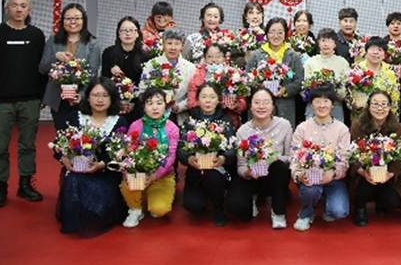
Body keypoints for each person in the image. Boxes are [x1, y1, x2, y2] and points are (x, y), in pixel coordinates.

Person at [0, 0, 46, 208]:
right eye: (15, 5)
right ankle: (0, 188)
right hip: (1, 101)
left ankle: (25, 185)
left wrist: (42, 95)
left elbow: (42, 69)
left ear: (29, 9)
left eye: (23, 6)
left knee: (27, 146)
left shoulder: (36, 35)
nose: (19, 9)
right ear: (7, 8)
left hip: (30, 100)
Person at [56, 77, 127, 236]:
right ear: (87, 97)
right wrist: (64, 159)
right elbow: (58, 145)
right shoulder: (75, 117)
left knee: (98, 206)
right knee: (74, 180)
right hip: (78, 171)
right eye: (95, 95)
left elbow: (120, 153)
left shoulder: (119, 122)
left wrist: (101, 165)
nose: (100, 100)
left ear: (112, 98)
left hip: (106, 173)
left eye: (105, 95)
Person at [226, 88, 293, 229]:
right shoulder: (243, 131)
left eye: (266, 102)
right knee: (238, 209)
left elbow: (290, 157)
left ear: (273, 106)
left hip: (275, 174)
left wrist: (274, 159)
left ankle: (278, 212)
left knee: (279, 166)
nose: (261, 107)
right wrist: (248, 173)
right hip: (253, 177)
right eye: (257, 103)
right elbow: (241, 165)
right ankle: (252, 198)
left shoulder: (284, 125)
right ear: (250, 106)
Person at [291, 86, 351, 231]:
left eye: (326, 101)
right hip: (310, 176)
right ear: (311, 105)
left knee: (339, 211)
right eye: (317, 101)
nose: (322, 105)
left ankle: (326, 205)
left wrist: (333, 172)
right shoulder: (302, 128)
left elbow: (345, 158)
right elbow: (294, 156)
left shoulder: (342, 129)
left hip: (333, 178)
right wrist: (299, 175)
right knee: (311, 191)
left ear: (332, 104)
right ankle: (306, 213)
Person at [179, 83, 237, 226]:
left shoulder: (226, 121)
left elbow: (233, 147)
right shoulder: (190, 121)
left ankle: (219, 207)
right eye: (204, 97)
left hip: (217, 170)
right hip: (196, 170)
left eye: (212, 97)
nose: (208, 101)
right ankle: (203, 196)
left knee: (213, 178)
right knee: (194, 206)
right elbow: (180, 148)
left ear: (219, 100)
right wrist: (188, 158)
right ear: (198, 99)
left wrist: (223, 158)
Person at [120, 87, 179, 228]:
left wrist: (154, 175)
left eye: (159, 103)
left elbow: (171, 158)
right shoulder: (135, 125)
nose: (155, 107)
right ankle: (135, 209)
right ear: (144, 107)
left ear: (165, 105)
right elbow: (128, 151)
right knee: (128, 185)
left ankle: (154, 199)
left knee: (159, 210)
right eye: (150, 103)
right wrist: (127, 171)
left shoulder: (172, 128)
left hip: (162, 176)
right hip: (137, 173)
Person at [39, 3, 101, 131]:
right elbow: (42, 68)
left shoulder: (93, 43)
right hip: (57, 98)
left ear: (83, 20)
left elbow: (93, 73)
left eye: (77, 18)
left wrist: (82, 95)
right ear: (62, 21)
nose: (73, 22)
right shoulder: (53, 40)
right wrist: (55, 56)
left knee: (81, 137)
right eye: (68, 18)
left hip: (81, 98)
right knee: (61, 135)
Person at [349, 91, 401, 226]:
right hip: (364, 175)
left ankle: (381, 203)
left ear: (390, 107)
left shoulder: (398, 128)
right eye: (375, 104)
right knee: (363, 186)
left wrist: (390, 174)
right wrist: (362, 172)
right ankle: (360, 208)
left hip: (387, 176)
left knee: (393, 201)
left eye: (384, 104)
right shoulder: (357, 126)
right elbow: (351, 154)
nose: (380, 108)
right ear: (368, 106)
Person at [246, 17, 304, 127]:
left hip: (285, 106)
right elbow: (247, 78)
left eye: (280, 32)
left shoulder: (293, 56)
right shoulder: (256, 55)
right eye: (272, 32)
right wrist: (259, 85)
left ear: (285, 34)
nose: (276, 36)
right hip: (261, 106)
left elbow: (299, 80)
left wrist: (285, 90)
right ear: (267, 33)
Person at [139, 28, 196, 125]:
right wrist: (156, 104)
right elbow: (142, 90)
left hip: (180, 115)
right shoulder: (152, 64)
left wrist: (180, 106)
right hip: (153, 113)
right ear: (163, 44)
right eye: (169, 43)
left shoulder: (190, 68)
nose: (173, 48)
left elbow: (193, 93)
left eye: (177, 44)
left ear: (182, 46)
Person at [187, 43, 246, 128]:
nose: (214, 60)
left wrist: (236, 105)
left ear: (225, 58)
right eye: (210, 57)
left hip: (229, 119)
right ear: (204, 58)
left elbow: (243, 102)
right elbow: (192, 102)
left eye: (218, 57)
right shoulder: (197, 75)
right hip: (203, 120)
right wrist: (210, 104)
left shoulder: (233, 75)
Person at [101, 16, 146, 121]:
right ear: (118, 33)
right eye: (124, 30)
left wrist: (133, 102)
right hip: (112, 104)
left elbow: (143, 85)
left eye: (131, 30)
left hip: (135, 106)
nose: (128, 33)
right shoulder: (109, 53)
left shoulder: (144, 56)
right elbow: (103, 80)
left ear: (137, 33)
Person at [303, 27, 350, 121]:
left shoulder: (342, 62)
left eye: (329, 41)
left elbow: (347, 87)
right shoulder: (310, 62)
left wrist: (336, 93)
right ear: (318, 43)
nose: (326, 44)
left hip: (335, 105)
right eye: (323, 40)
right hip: (314, 106)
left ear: (335, 44)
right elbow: (304, 86)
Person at [352, 37, 400, 118]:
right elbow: (349, 95)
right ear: (366, 52)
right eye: (372, 49)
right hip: (361, 118)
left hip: (385, 118)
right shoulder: (357, 70)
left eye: (379, 50)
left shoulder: (391, 71)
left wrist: (393, 118)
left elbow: (395, 99)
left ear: (384, 54)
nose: (375, 52)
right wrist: (357, 107)